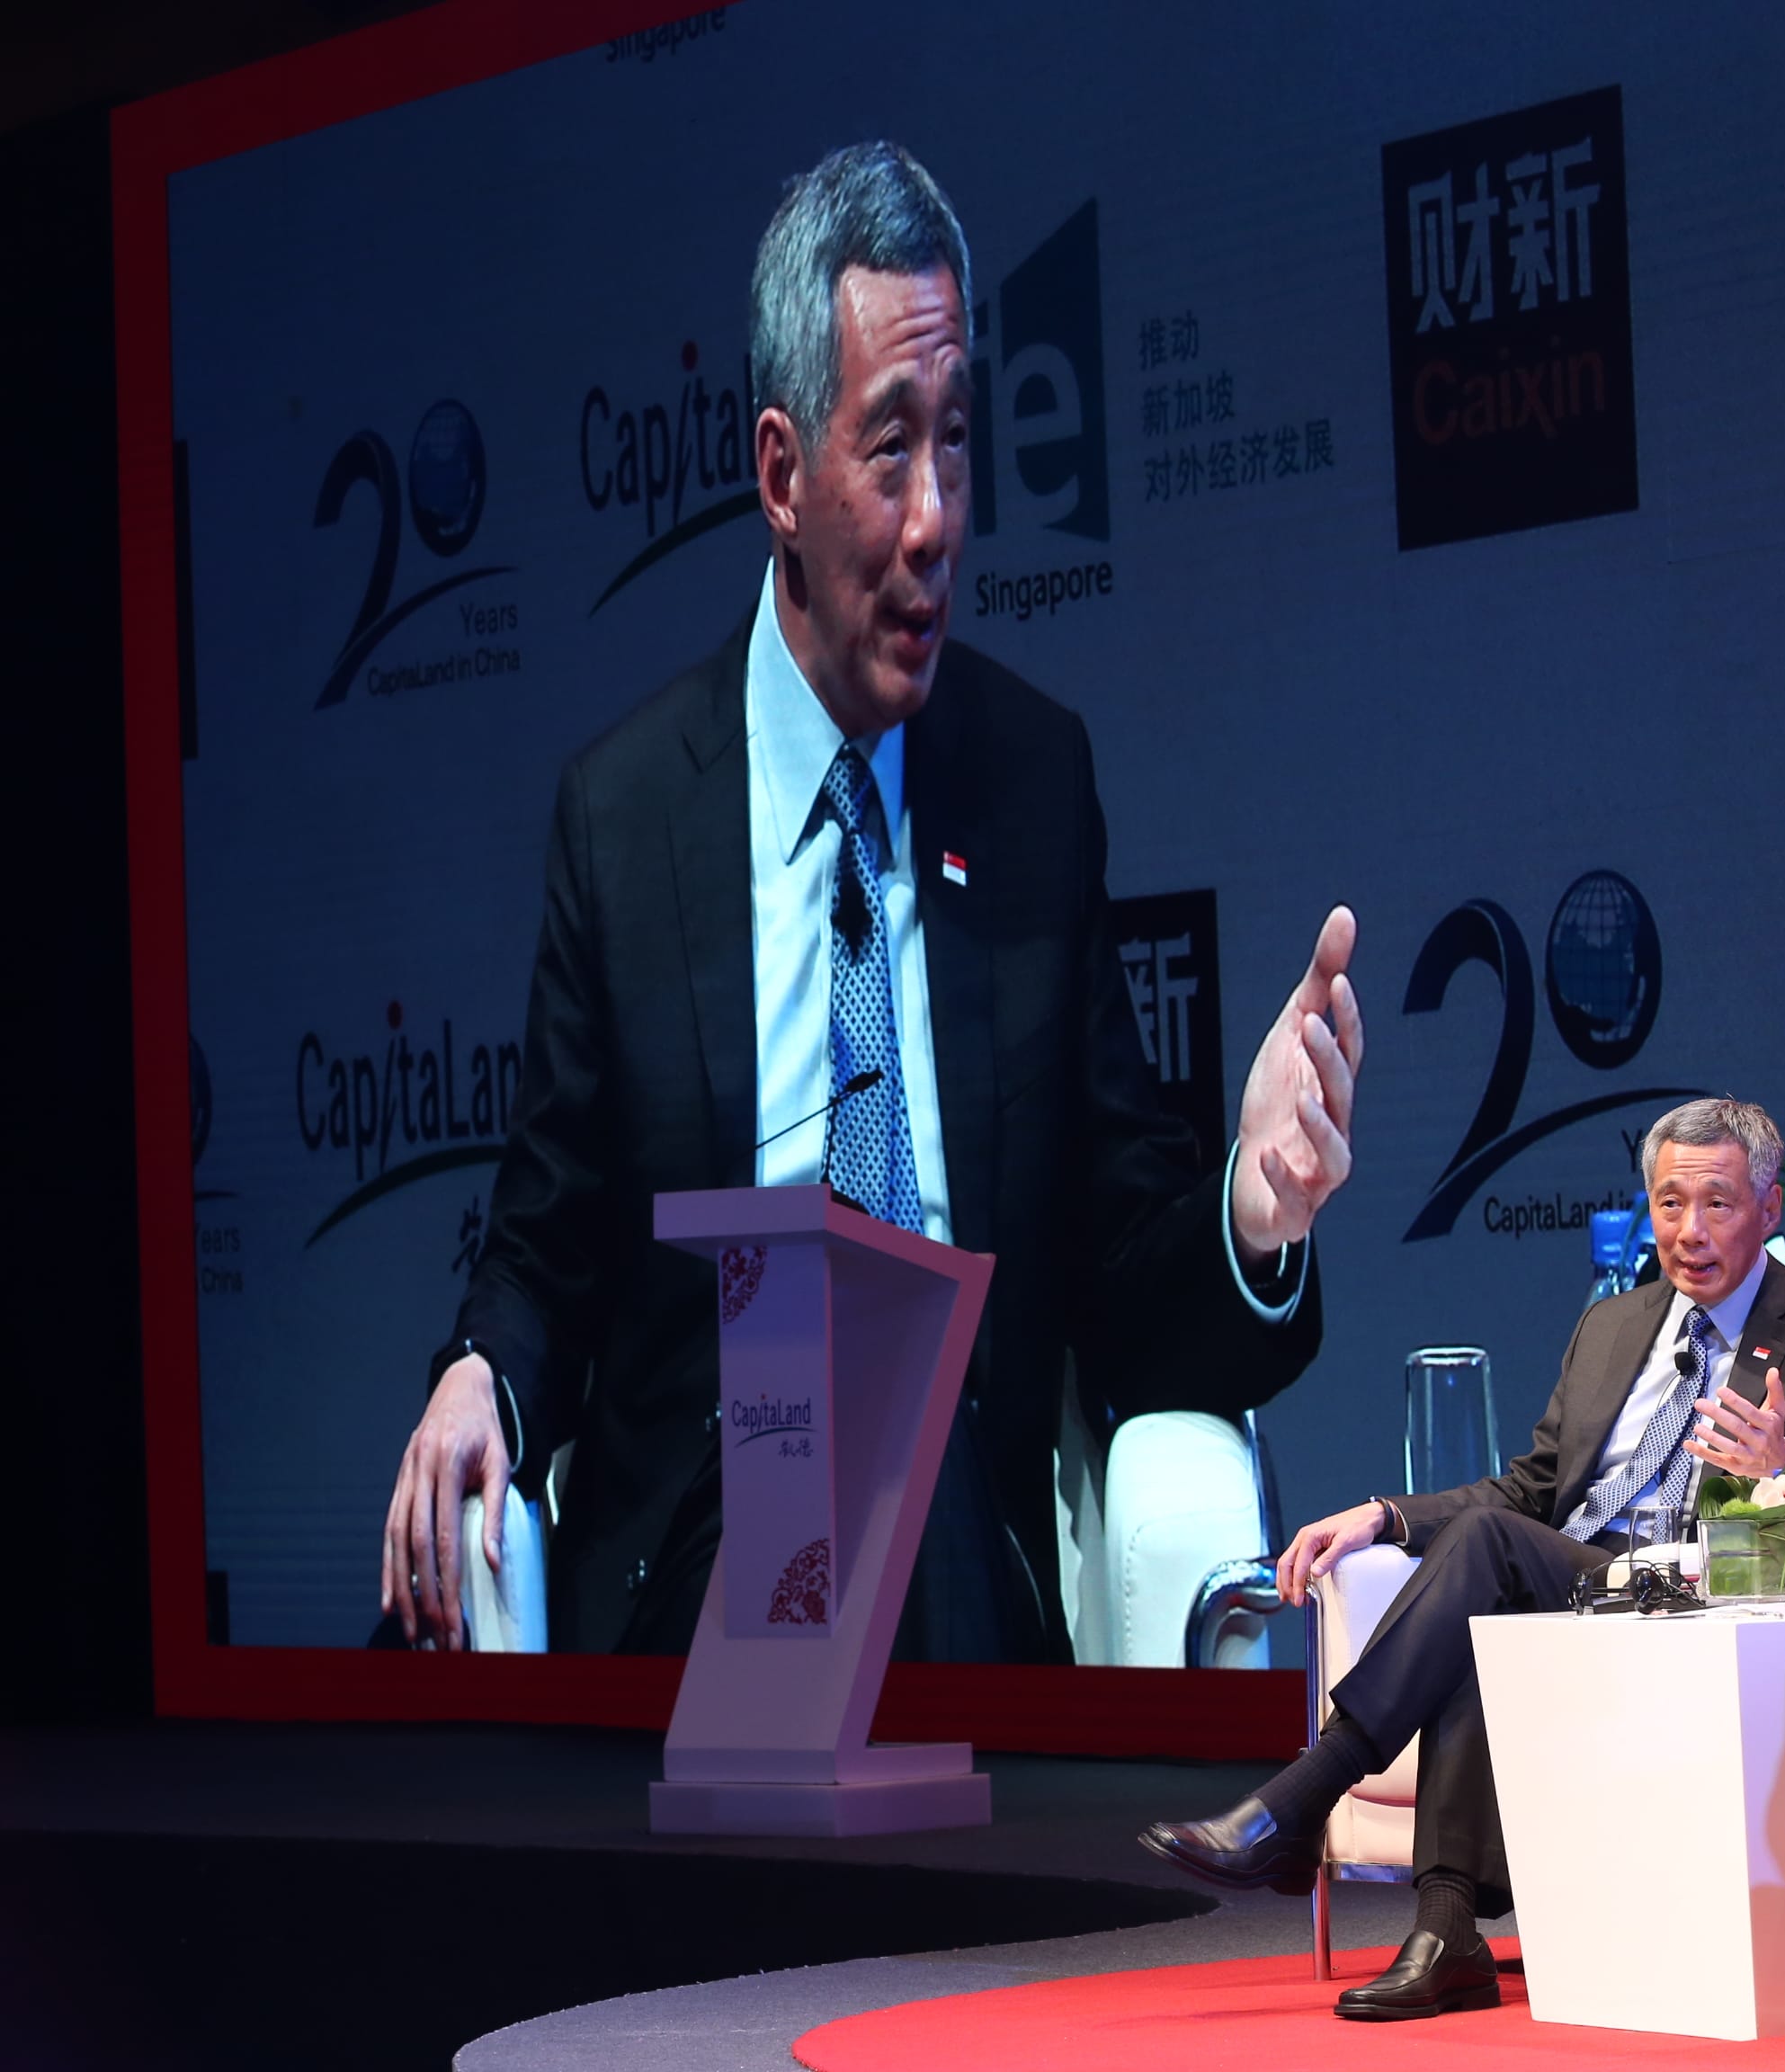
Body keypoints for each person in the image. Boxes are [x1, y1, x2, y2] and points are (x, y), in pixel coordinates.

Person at [379, 143, 1361, 1664]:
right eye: (887, 447)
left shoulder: (1030, 783)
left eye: (957, 444)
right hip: (703, 1537)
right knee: (793, 1400)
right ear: (780, 473)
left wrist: (1256, 1204)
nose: (935, 521)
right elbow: (543, 1233)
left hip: (955, 1546)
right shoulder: (629, 815)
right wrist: (476, 1378)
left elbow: (1121, 1262)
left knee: (892, 1415)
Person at [1138, 1097, 1785, 2020]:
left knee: (1491, 1563)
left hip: (1699, 1588)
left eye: (1717, 1205)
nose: (1688, 1232)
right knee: (1485, 1593)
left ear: (1770, 1211)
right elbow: (1533, 1487)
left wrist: (1781, 1469)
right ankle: (1446, 1931)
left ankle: (1304, 1801)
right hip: (1585, 1572)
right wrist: (1384, 1516)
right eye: (1668, 1204)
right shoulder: (1615, 1327)